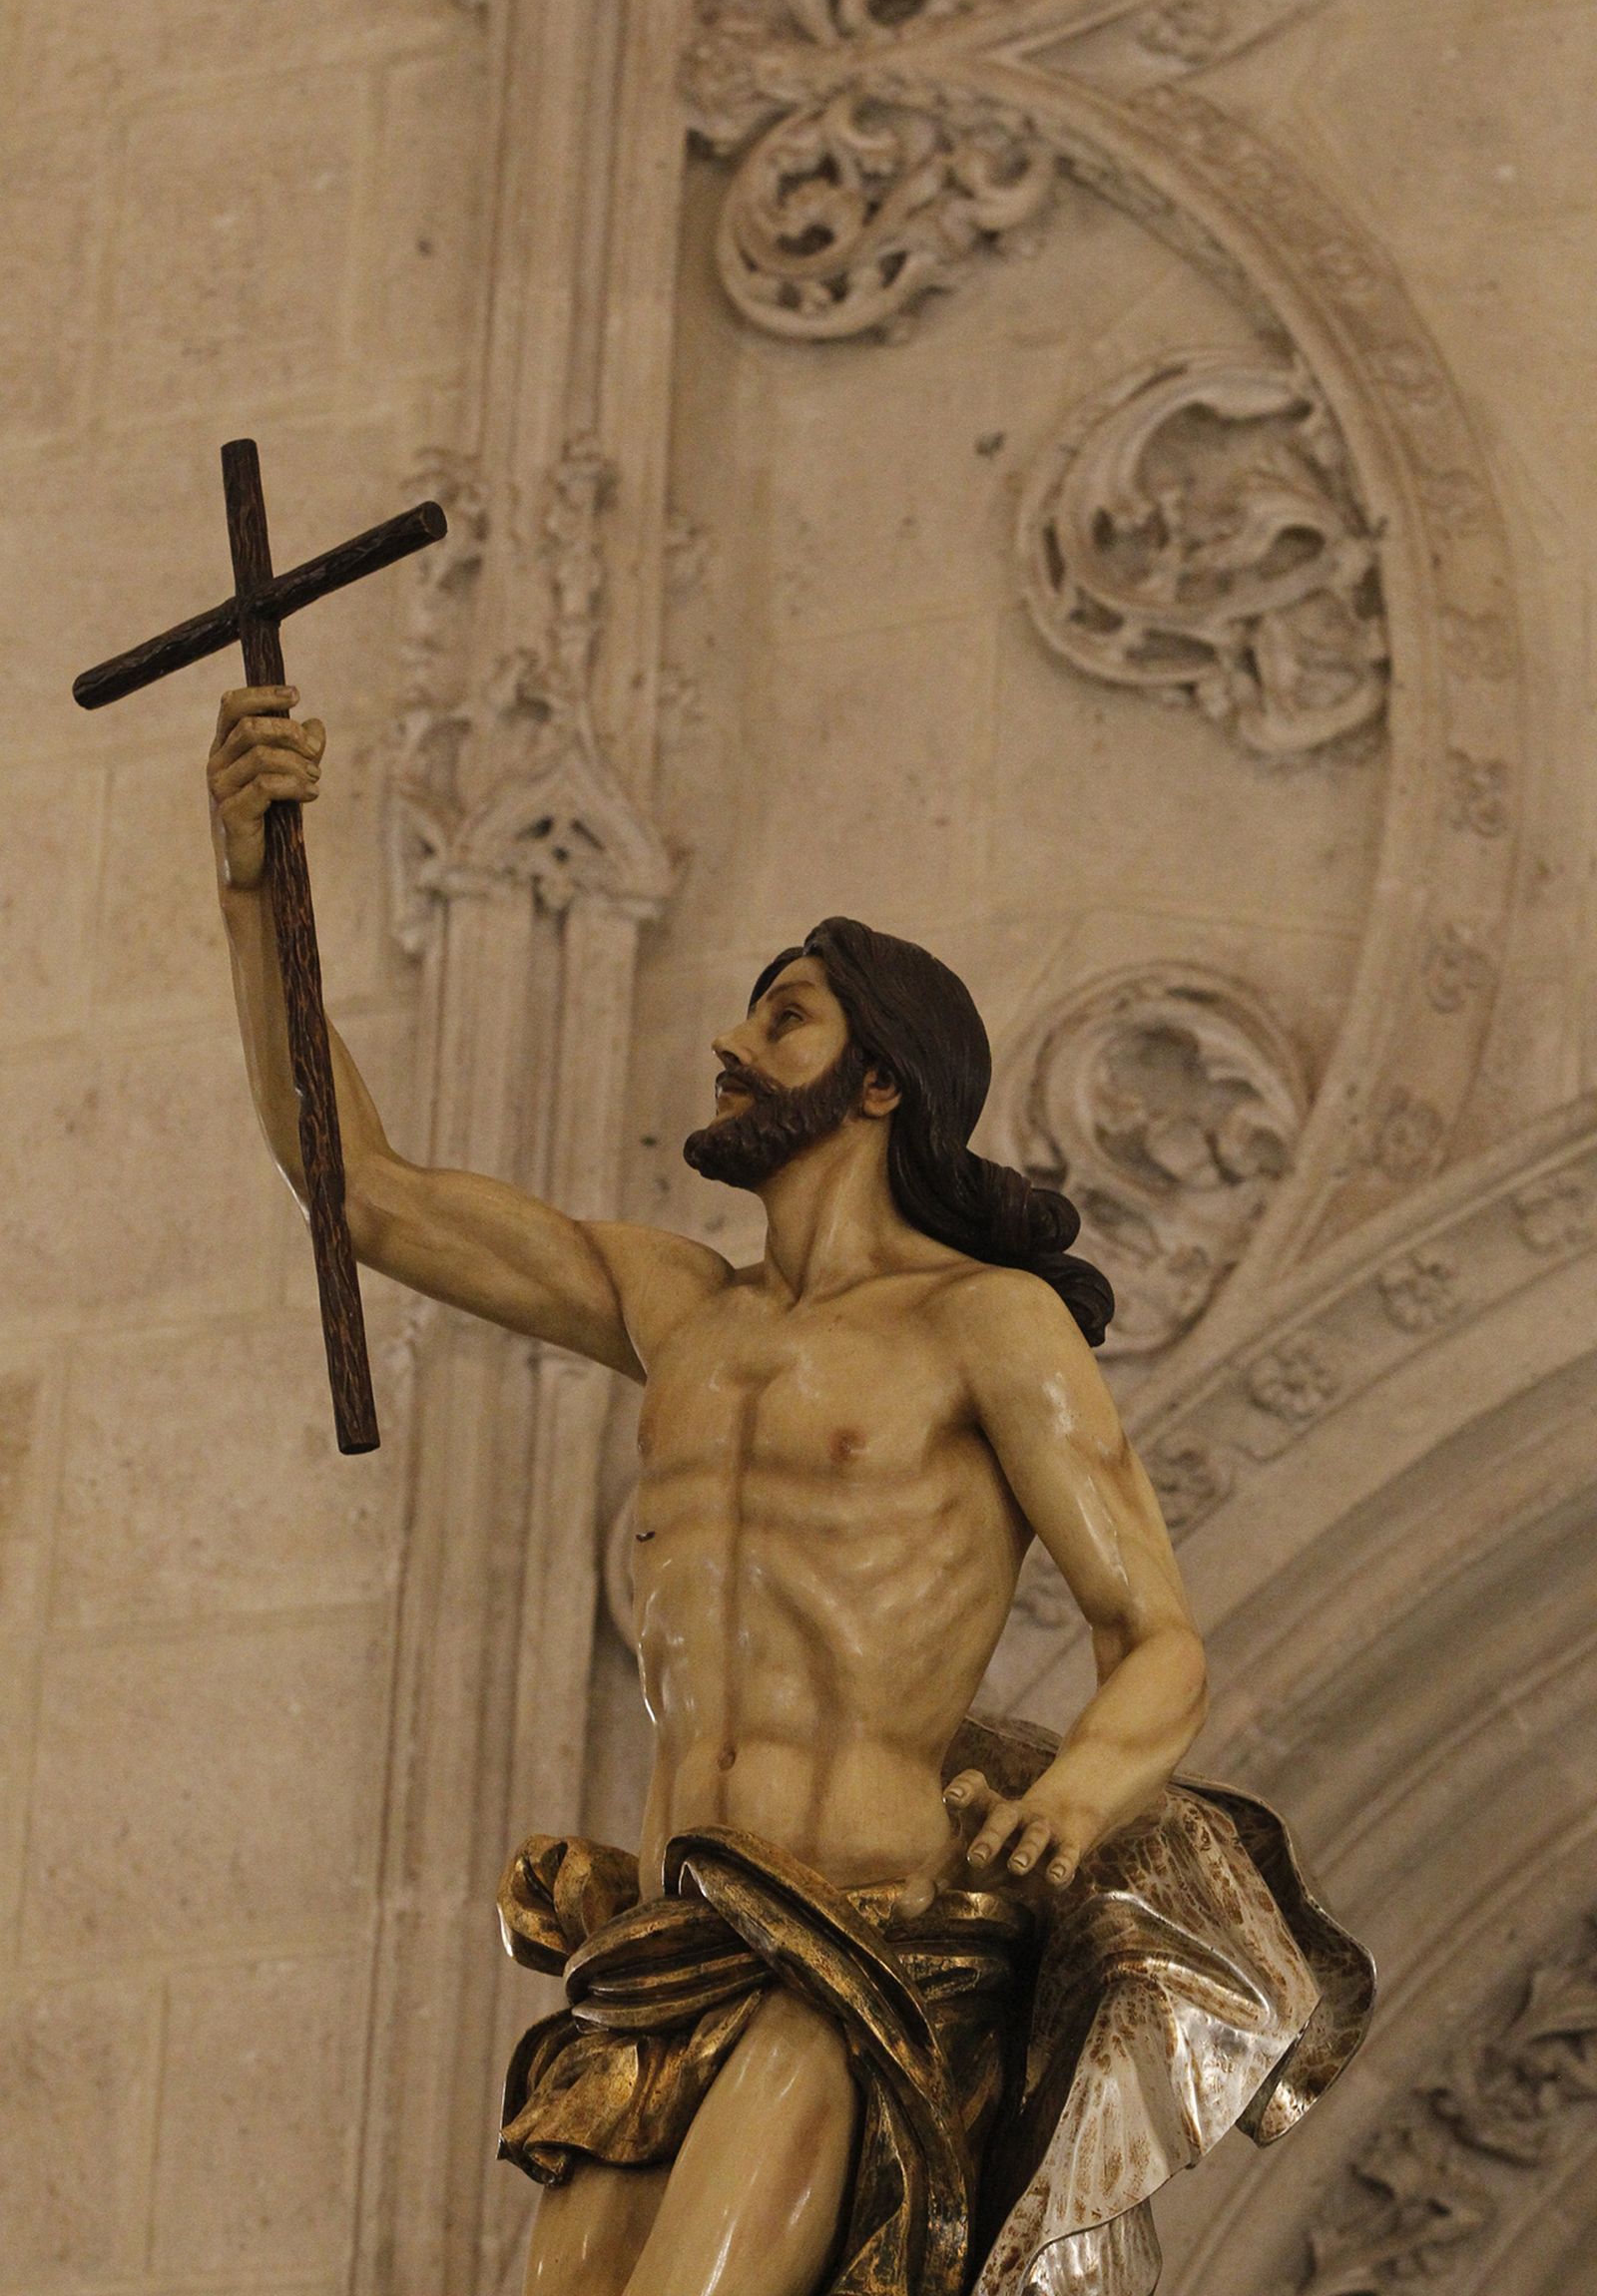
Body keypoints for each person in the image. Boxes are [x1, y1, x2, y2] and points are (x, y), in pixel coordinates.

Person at [209, 687, 1370, 2296]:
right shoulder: (677, 1308)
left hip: (865, 1947)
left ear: (881, 1080)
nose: (734, 1048)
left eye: (786, 1019)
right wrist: (251, 881)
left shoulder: (988, 1327)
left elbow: (1152, 1632)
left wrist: (1071, 1800)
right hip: (660, 1955)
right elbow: (363, 1190)